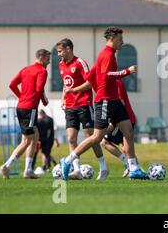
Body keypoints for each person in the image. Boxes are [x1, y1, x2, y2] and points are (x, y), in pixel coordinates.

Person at [61, 27, 147, 180]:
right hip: (105, 100)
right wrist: (127, 71)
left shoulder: (107, 55)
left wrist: (74, 89)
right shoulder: (107, 55)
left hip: (114, 100)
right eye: (120, 39)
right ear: (112, 39)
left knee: (128, 130)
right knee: (96, 137)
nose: (122, 42)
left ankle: (133, 168)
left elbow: (92, 76)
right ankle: (68, 161)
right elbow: (107, 75)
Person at [67, 66, 137, 178]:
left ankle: (129, 165)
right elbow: (89, 81)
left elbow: (119, 103)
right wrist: (74, 89)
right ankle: (132, 167)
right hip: (122, 118)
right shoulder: (106, 77)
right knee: (125, 147)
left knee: (103, 140)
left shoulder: (114, 83)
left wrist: (111, 124)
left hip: (122, 119)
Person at [57, 38, 108, 180]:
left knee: (91, 137)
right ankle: (77, 170)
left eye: (60, 51)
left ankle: (103, 167)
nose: (59, 55)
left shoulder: (80, 63)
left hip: (84, 104)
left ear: (68, 49)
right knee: (71, 139)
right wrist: (63, 99)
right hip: (70, 107)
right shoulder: (61, 65)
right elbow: (65, 84)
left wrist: (74, 90)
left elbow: (91, 82)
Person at [1, 49, 50, 179]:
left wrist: (21, 97)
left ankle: (28, 169)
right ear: (42, 57)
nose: (49, 61)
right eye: (48, 58)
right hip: (30, 109)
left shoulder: (25, 69)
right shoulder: (42, 71)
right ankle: (7, 165)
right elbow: (39, 89)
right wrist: (45, 101)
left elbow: (12, 84)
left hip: (21, 107)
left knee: (35, 136)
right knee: (27, 140)